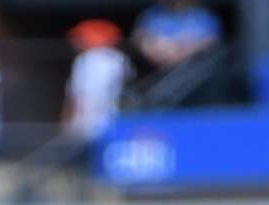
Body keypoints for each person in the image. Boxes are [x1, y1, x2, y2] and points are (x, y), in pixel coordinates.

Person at [63, 17, 131, 145]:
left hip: (85, 118)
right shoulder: (120, 59)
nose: (76, 42)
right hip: (114, 119)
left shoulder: (85, 59)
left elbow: (76, 95)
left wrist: (67, 121)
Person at [129, 0, 219, 69]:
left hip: (195, 76)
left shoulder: (203, 15)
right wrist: (160, 53)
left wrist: (178, 55)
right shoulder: (150, 15)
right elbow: (140, 39)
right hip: (156, 75)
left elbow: (208, 42)